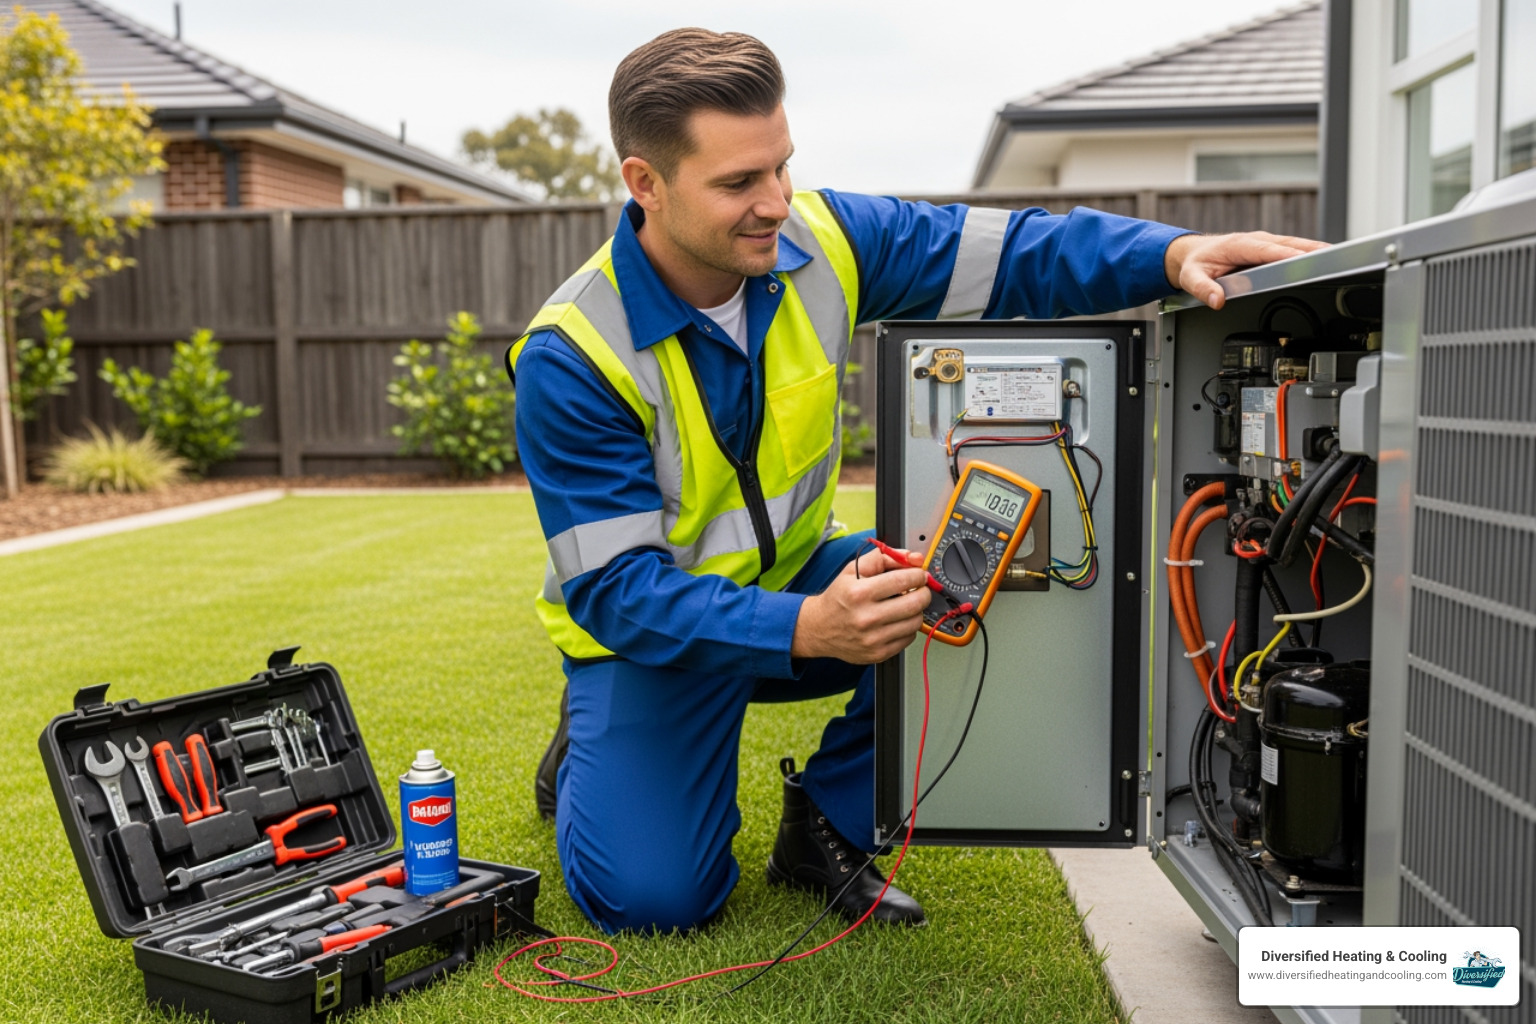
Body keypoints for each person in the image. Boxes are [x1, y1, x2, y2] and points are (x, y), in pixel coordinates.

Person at [506, 27, 1325, 936]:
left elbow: (1013, 253)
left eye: (782, 166)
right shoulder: (572, 356)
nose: (775, 202)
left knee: (977, 565)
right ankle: (589, 744)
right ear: (644, 184)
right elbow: (617, 594)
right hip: (655, 639)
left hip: (788, 584)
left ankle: (827, 822)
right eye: (739, 182)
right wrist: (808, 626)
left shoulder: (825, 240)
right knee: (657, 902)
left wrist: (1169, 256)